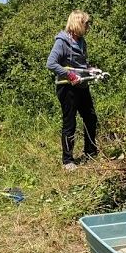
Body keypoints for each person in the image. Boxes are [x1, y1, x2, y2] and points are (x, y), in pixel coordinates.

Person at [46, 10, 98, 170]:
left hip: (82, 86)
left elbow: (82, 65)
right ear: (78, 23)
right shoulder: (62, 41)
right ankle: (68, 160)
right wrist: (69, 75)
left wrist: (91, 70)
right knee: (70, 123)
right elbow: (51, 63)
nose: (88, 26)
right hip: (67, 88)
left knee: (91, 118)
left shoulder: (82, 42)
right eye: (86, 23)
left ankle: (91, 152)